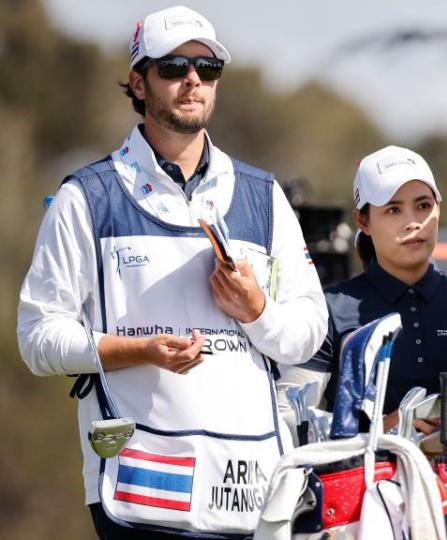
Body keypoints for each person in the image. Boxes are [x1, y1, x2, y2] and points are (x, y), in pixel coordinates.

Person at [16, 6, 327, 538]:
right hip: (142, 488)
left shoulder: (264, 194)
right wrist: (134, 350)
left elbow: (308, 333)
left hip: (248, 488)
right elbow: (37, 337)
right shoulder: (86, 197)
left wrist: (256, 311)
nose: (192, 81)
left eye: (207, 70)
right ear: (138, 82)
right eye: (173, 67)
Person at [281, 145, 447, 538]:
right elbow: (295, 421)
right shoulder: (331, 308)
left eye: (423, 205)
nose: (413, 222)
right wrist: (392, 426)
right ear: (363, 220)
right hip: (361, 511)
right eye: (393, 210)